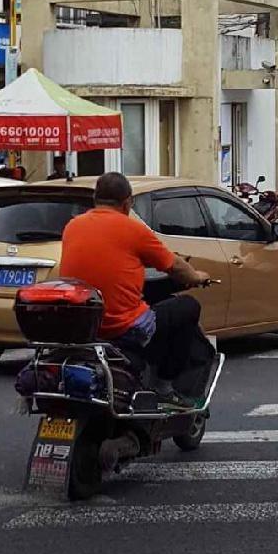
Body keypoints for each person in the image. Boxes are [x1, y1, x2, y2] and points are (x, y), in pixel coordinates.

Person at [59, 171, 212, 403]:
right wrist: (198, 276)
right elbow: (175, 266)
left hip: (85, 325)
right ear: (127, 202)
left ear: (95, 200)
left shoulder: (72, 227)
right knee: (187, 307)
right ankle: (164, 384)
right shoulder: (133, 230)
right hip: (123, 329)